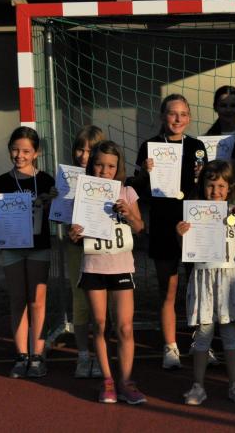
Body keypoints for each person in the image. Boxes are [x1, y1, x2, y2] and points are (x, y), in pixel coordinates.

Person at [131, 93, 208, 369]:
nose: (178, 119)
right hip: (163, 224)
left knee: (197, 288)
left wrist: (203, 175)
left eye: (183, 114)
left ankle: (201, 344)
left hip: (191, 224)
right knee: (169, 289)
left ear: (189, 118)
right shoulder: (150, 146)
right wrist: (145, 172)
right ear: (163, 116)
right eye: (173, 113)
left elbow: (205, 186)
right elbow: (138, 188)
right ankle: (171, 346)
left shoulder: (198, 146)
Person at [68, 141, 146, 404]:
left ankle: (126, 380)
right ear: (92, 165)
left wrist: (128, 214)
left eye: (110, 166)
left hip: (121, 266)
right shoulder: (83, 191)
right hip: (93, 266)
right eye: (99, 165)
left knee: (124, 327)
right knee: (100, 325)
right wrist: (73, 234)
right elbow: (74, 232)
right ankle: (108, 380)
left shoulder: (127, 191)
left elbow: (139, 227)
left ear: (118, 167)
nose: (104, 170)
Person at [177, 160, 235, 405]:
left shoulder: (234, 214)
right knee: (204, 333)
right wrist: (181, 235)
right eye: (211, 185)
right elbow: (185, 251)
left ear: (229, 188)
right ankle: (198, 386)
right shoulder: (194, 213)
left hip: (229, 278)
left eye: (221, 186)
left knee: (230, 334)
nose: (215, 191)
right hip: (204, 278)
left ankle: (234, 384)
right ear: (203, 186)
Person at [0, 127, 55, 378]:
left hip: (38, 248)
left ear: (36, 153)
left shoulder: (47, 181)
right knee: (17, 300)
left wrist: (50, 203)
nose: (20, 155)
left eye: (26, 151)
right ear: (9, 150)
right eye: (15, 149)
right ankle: (21, 355)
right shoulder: (1, 181)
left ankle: (37, 354)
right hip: (12, 249)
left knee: (37, 301)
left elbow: (56, 215)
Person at [65, 125, 106, 378]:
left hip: (103, 251)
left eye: (90, 150)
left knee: (105, 307)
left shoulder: (110, 180)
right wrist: (56, 200)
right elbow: (59, 215)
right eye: (80, 149)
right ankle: (82, 355)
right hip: (76, 248)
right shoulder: (66, 179)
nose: (84, 155)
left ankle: (103, 357)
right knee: (79, 302)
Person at [203, 85, 235, 160]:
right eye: (223, 105)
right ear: (215, 107)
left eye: (233, 105)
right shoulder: (205, 140)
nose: (228, 110)